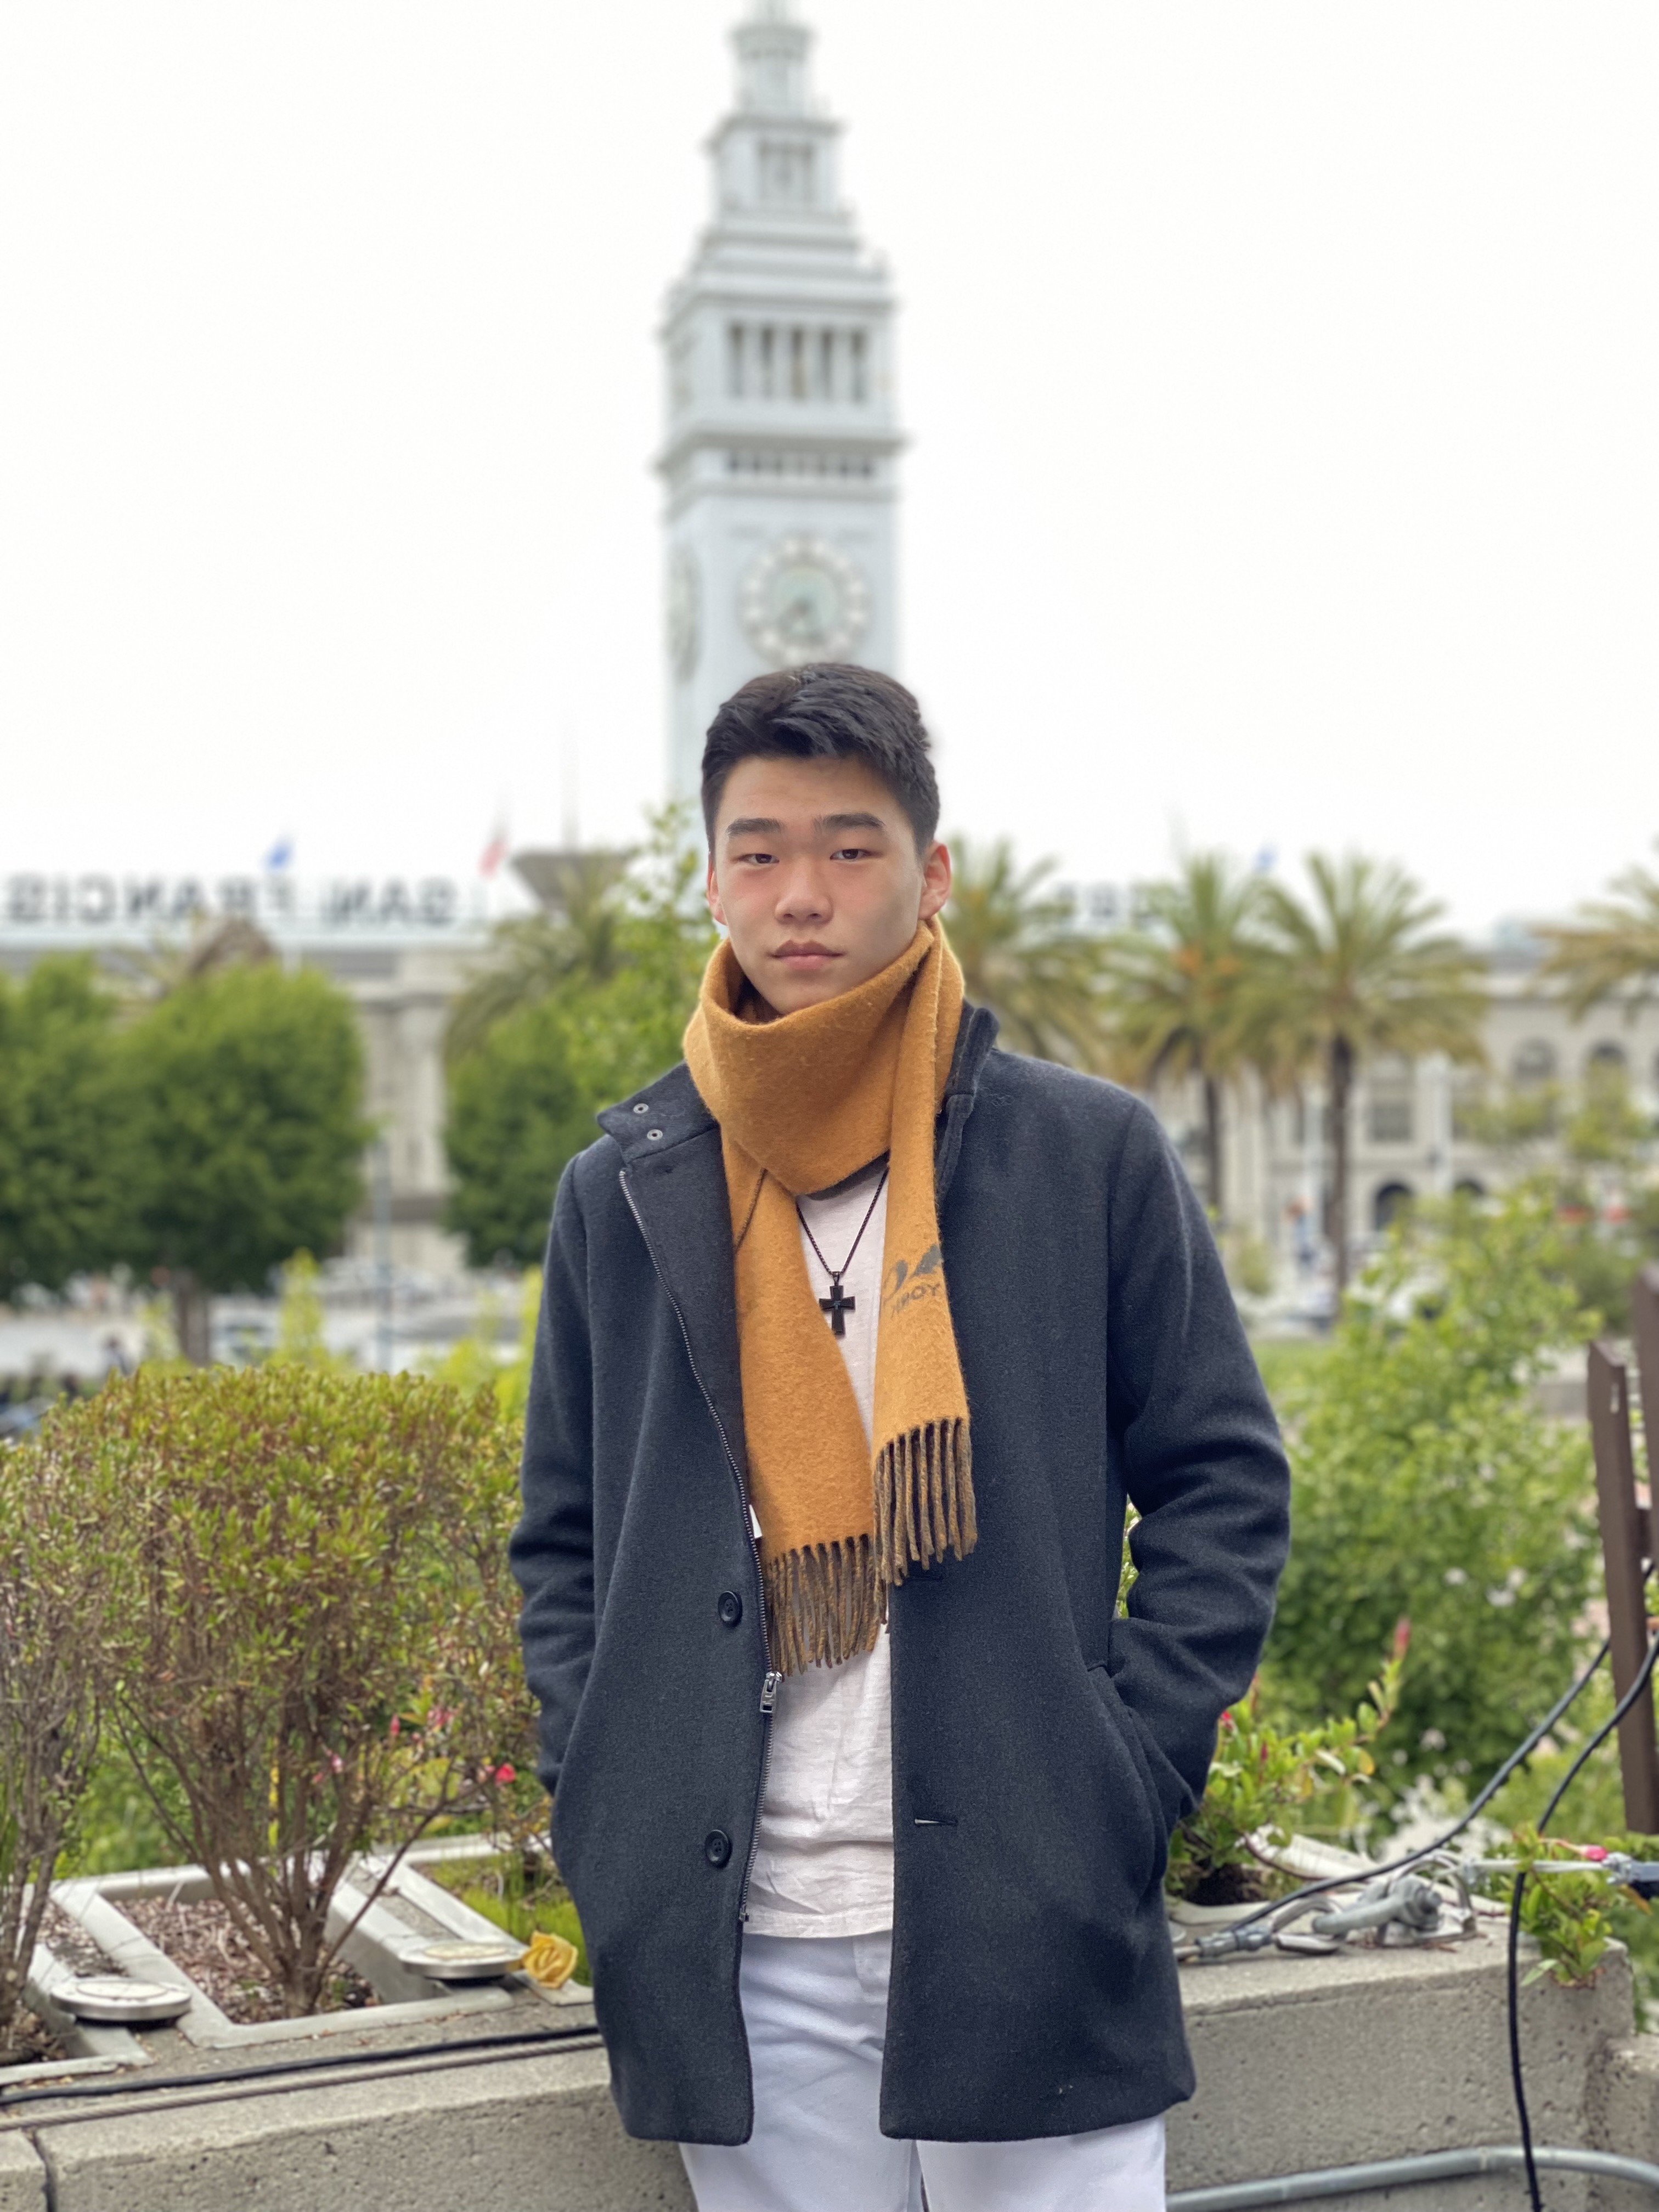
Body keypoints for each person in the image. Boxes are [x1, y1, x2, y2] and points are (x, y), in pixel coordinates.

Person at [511, 664, 1290, 2212]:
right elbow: (565, 1535)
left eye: (849, 847)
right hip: (744, 1938)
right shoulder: (627, 1189)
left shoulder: (1083, 1155)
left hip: (1026, 1905)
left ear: (932, 874)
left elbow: (1222, 1480)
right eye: (758, 850)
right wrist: (611, 1792)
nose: (800, 892)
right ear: (711, 880)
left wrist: (1123, 1772)